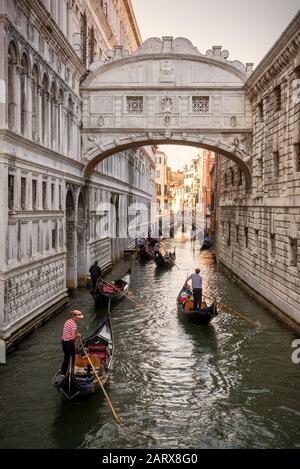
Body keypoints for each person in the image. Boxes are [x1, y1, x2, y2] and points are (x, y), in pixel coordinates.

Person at [60, 309, 84, 376]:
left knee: (66, 357)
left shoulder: (68, 321)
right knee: (72, 358)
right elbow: (73, 337)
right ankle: (71, 373)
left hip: (63, 342)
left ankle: (63, 373)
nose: (79, 319)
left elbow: (68, 332)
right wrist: (78, 335)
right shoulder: (74, 325)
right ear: (75, 316)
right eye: (78, 318)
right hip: (69, 343)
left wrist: (76, 333)